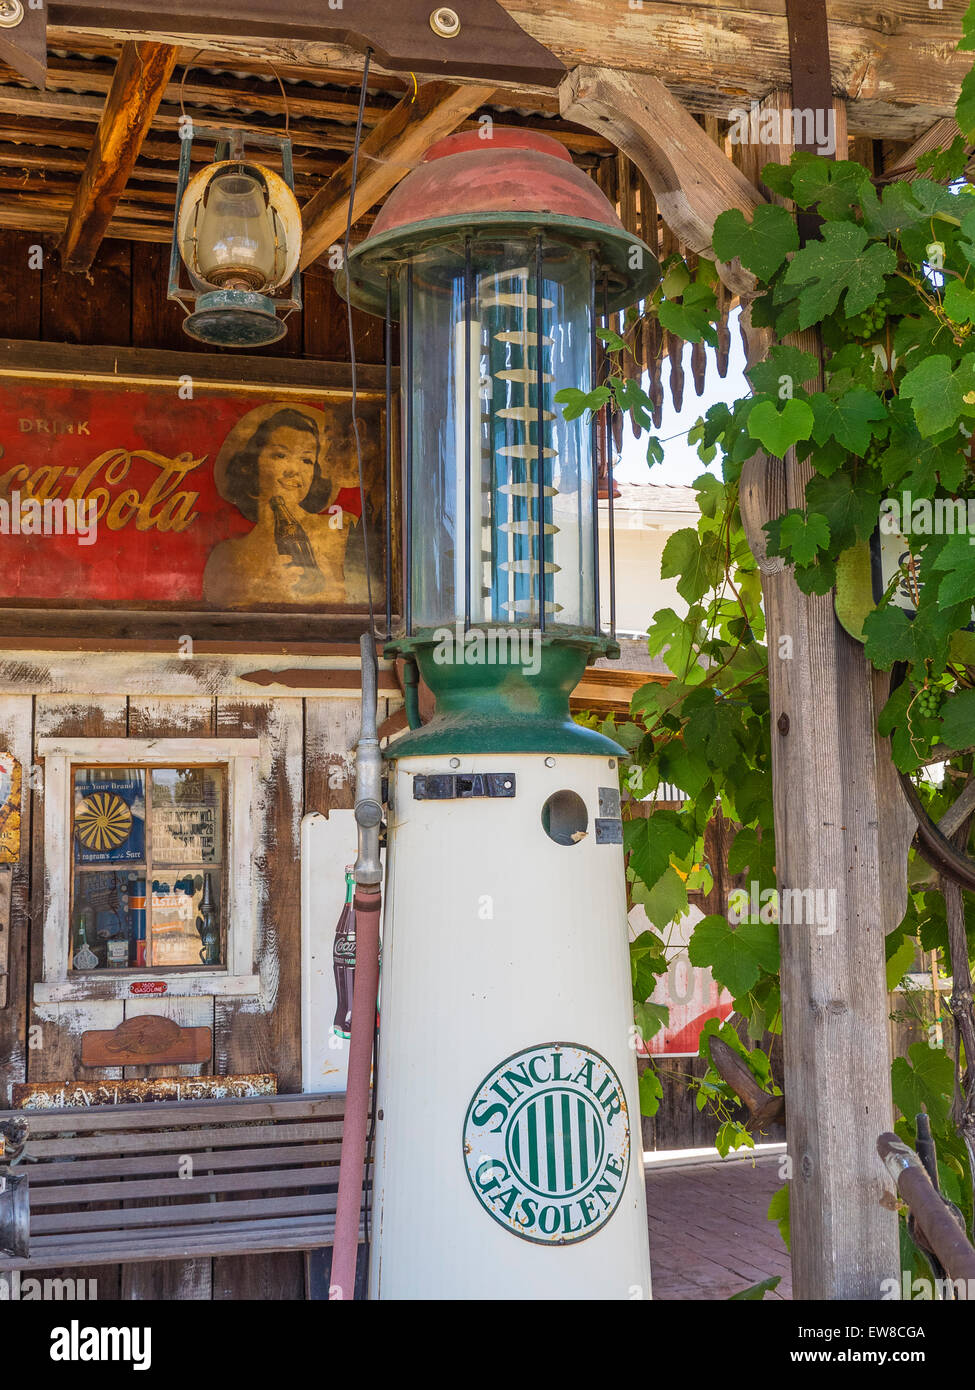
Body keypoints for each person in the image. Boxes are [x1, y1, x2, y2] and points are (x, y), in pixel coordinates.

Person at [204, 407, 347, 607]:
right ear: (252, 464)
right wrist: (264, 593)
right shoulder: (228, 556)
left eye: (306, 460)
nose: (294, 470)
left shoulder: (338, 533)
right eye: (281, 456)